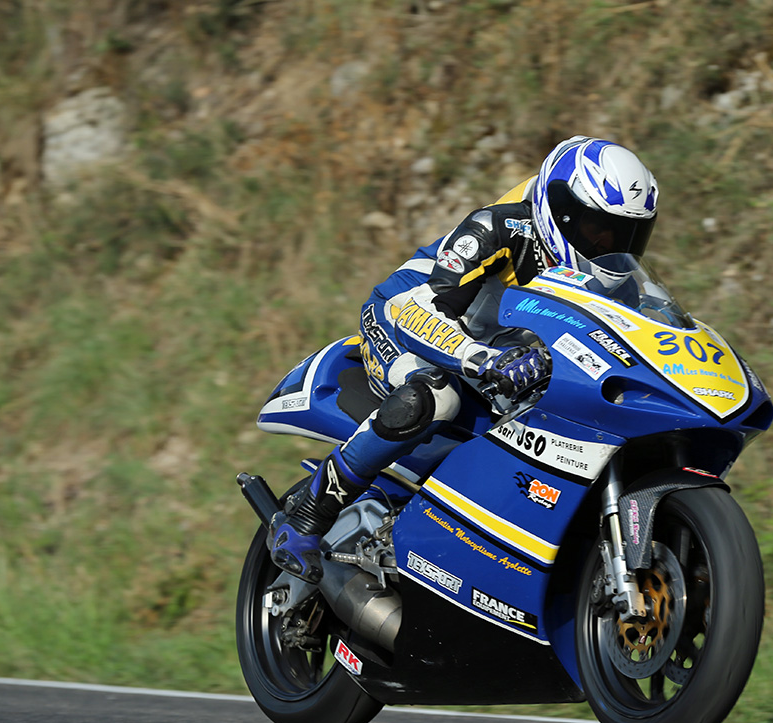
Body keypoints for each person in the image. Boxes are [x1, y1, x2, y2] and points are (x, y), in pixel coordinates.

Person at [268, 135, 660, 583]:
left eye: (627, 235)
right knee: (433, 397)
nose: (610, 245)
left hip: (492, 352)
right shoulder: (498, 229)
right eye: (598, 231)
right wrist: (484, 359)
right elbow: (420, 309)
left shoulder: (617, 285)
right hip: (405, 319)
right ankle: (310, 514)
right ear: (561, 211)